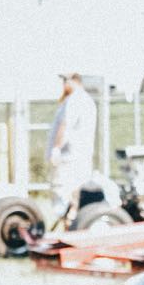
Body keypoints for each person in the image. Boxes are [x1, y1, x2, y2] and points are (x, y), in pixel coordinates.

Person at [46, 73, 97, 216]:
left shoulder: (75, 100)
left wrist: (56, 148)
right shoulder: (85, 100)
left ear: (73, 81)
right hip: (79, 157)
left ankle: (67, 227)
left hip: (68, 158)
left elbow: (65, 124)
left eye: (65, 81)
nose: (63, 85)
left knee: (63, 195)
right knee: (74, 196)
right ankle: (71, 224)